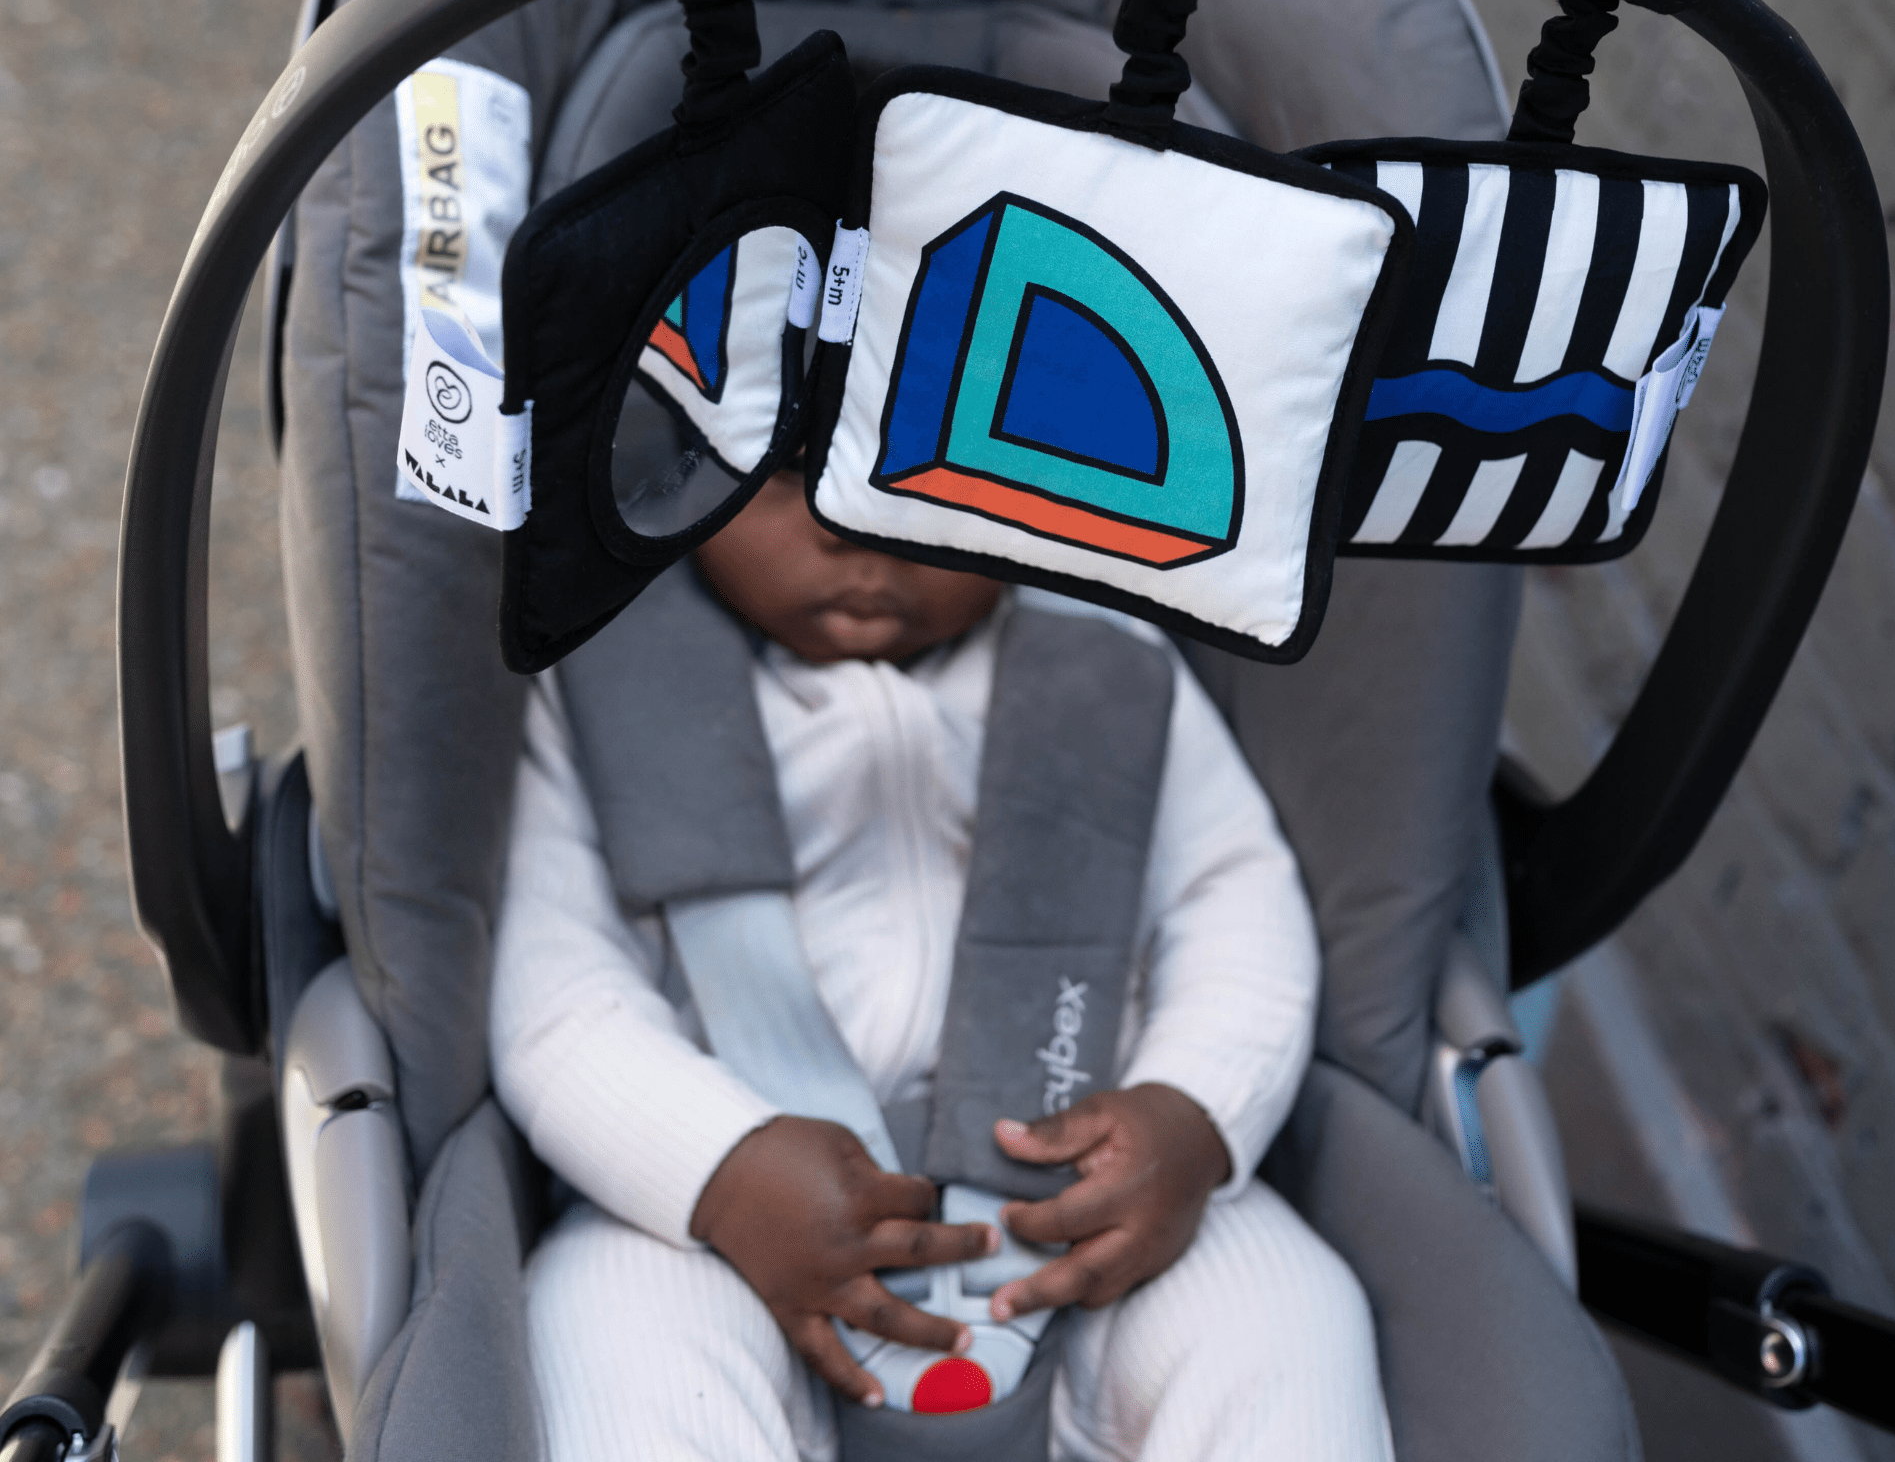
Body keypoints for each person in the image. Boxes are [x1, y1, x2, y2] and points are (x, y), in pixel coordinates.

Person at [490, 467, 1393, 1461]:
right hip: (728, 1218)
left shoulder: (1108, 655)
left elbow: (1233, 902)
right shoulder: (601, 678)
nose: (854, 525)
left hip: (1087, 1200)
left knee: (1283, 1315)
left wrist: (1196, 1109)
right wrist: (714, 1165)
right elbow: (556, 995)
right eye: (793, 476)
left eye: (915, 470)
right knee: (616, 1333)